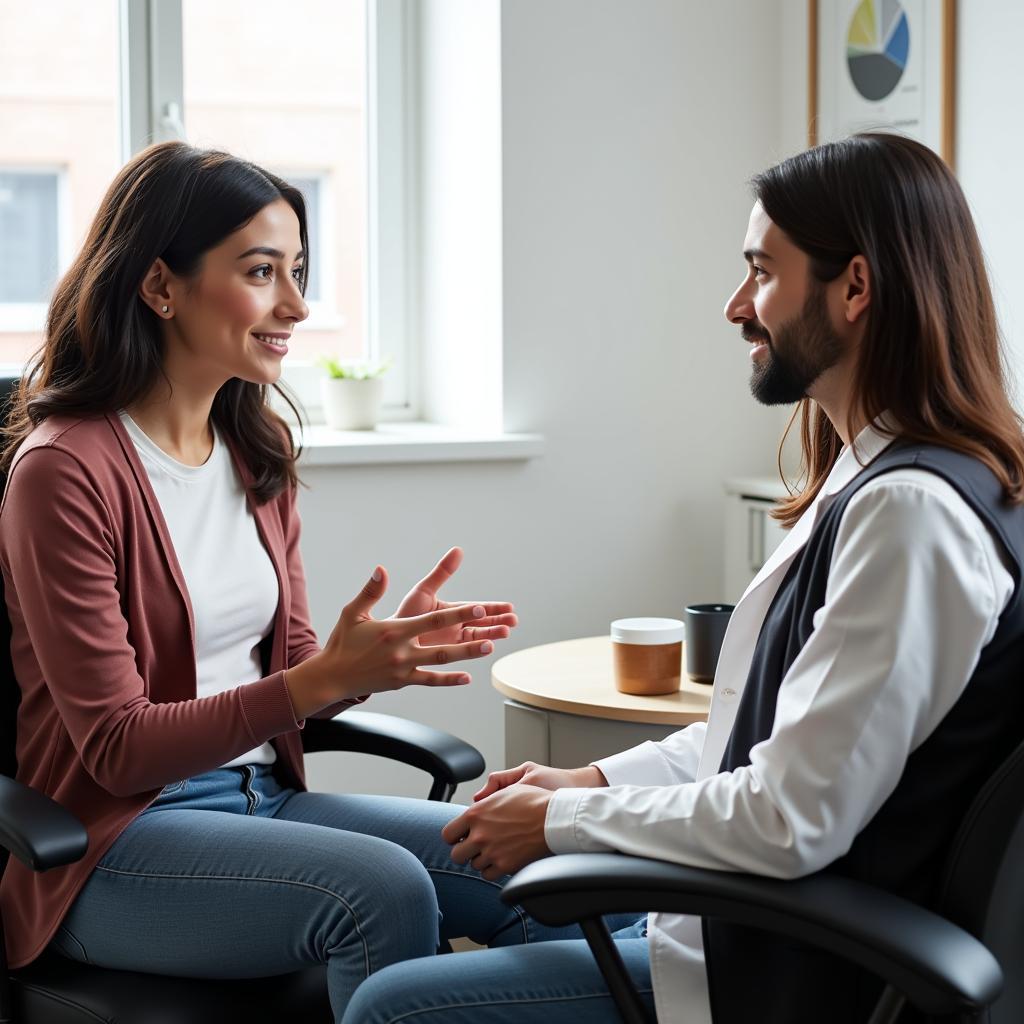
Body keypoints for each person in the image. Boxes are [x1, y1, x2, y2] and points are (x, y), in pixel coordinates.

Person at [341, 132, 1024, 1024]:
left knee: (393, 1007)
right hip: (771, 924)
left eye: (762, 273)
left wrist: (555, 826)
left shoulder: (912, 516)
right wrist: (591, 784)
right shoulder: (899, 477)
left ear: (855, 287)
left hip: (800, 973)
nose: (738, 306)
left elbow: (787, 819)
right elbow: (775, 741)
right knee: (479, 892)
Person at [0, 141, 594, 1022]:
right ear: (161, 286)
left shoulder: (253, 449)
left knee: (546, 863)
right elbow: (117, 749)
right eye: (262, 271)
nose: (296, 304)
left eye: (299, 270)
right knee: (380, 892)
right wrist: (318, 681)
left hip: (262, 803)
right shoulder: (65, 471)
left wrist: (369, 660)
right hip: (108, 848)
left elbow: (291, 687)